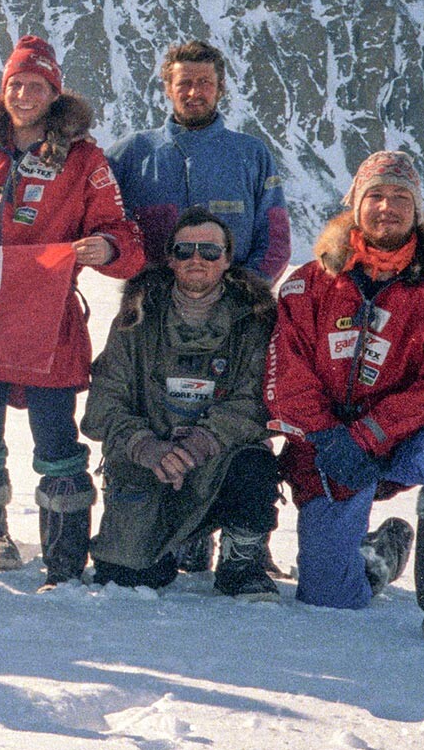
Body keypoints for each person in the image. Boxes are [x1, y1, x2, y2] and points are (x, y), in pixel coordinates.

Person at [0, 36, 143, 578]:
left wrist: (108, 247)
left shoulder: (84, 160)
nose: (23, 95)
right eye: (15, 84)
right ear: (2, 90)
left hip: (47, 321)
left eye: (35, 86)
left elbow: (121, 231)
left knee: (55, 435)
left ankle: (64, 558)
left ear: (54, 93)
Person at [266, 151, 424, 651]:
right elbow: (286, 373)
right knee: (329, 596)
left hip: (396, 447)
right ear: (354, 205)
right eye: (375, 195)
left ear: (417, 212)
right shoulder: (307, 285)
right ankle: (380, 556)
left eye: (400, 198)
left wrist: (372, 432)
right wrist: (330, 438)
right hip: (327, 454)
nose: (386, 207)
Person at [108, 39, 291, 573]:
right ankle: (181, 528)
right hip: (153, 324)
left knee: (234, 415)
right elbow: (101, 223)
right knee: (156, 414)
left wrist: (236, 299)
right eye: (183, 82)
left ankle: (241, 531)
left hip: (232, 319)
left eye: (204, 82)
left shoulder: (250, 155)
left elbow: (274, 239)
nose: (194, 91)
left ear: (220, 87)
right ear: (166, 86)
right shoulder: (132, 155)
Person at [82, 207, 281, 598]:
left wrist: (198, 445)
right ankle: (179, 538)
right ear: (170, 258)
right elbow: (103, 403)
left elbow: (256, 403)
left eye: (209, 251)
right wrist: (146, 446)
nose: (197, 259)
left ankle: (241, 559)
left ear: (227, 260)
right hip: (150, 461)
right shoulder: (135, 319)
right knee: (126, 576)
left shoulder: (254, 321)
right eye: (185, 250)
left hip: (216, 459)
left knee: (255, 465)